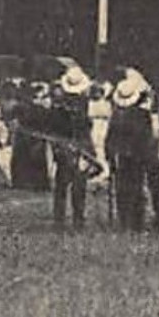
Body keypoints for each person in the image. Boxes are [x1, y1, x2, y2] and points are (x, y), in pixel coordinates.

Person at [106, 70, 158, 231]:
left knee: (123, 189)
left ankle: (125, 221)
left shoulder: (116, 116)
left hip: (123, 155)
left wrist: (110, 155)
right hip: (138, 155)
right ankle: (136, 222)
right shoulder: (143, 115)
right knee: (136, 188)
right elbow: (147, 137)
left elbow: (110, 138)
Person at [49, 67, 95, 229]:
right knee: (76, 185)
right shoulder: (82, 105)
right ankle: (76, 219)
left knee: (64, 185)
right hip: (76, 146)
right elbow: (86, 128)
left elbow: (53, 128)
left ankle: (61, 220)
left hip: (66, 146)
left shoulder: (59, 106)